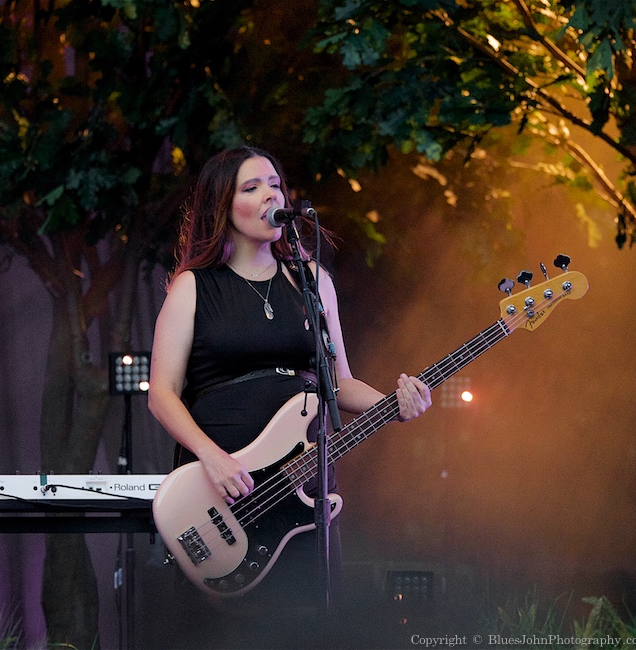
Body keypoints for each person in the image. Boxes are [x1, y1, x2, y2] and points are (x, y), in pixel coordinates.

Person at [148, 145, 431, 645]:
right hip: (224, 495)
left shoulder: (313, 283)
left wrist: (397, 402)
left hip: (302, 492)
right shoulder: (193, 287)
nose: (269, 196)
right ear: (222, 205)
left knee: (307, 627)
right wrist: (212, 457)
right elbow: (163, 394)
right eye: (251, 187)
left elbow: (339, 383)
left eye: (275, 185)